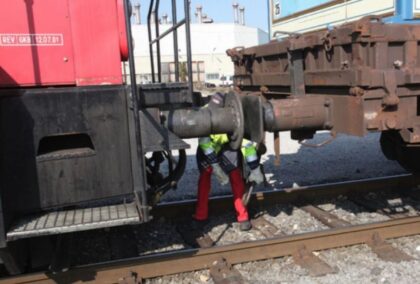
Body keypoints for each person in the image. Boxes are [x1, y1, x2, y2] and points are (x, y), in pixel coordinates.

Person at [193, 93, 265, 231]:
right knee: (204, 179)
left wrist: (255, 168)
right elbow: (205, 144)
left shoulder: (237, 118)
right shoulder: (204, 116)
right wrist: (215, 166)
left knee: (236, 178)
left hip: (228, 147)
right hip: (209, 149)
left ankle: (243, 217)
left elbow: (247, 144)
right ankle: (201, 215)